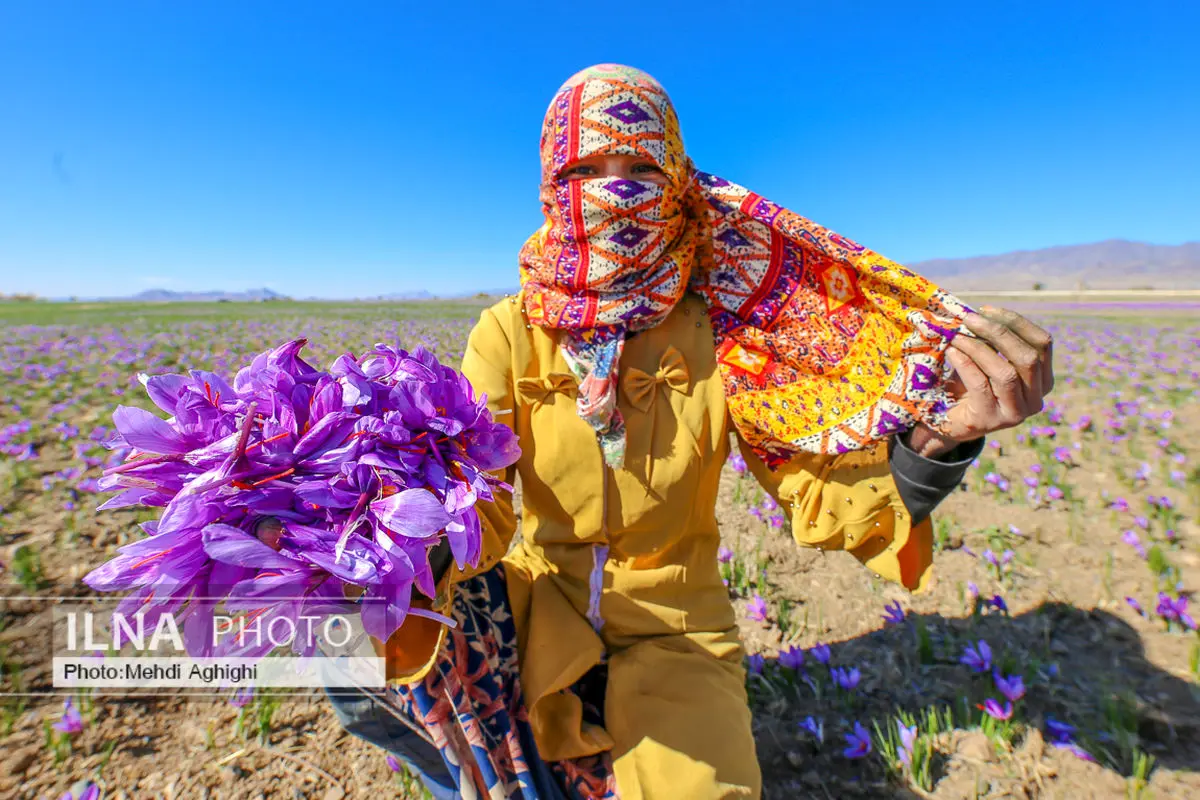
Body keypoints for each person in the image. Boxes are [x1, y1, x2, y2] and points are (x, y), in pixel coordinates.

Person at [308, 64, 1054, 799]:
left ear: (677, 181)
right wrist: (392, 536)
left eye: (639, 165)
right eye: (588, 168)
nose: (616, 189)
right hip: (539, 605)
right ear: (549, 188)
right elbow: (486, 499)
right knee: (358, 650)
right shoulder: (509, 331)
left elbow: (819, 497)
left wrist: (937, 441)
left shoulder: (726, 330)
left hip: (678, 626)